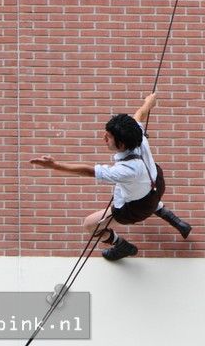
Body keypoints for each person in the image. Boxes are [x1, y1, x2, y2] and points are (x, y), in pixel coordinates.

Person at [31, 93, 192, 261]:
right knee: (143, 193)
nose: (104, 138)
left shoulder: (125, 170)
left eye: (108, 137)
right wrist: (148, 103)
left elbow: (89, 171)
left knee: (91, 225)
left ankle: (122, 246)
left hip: (137, 208)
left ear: (121, 144)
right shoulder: (139, 136)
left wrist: (55, 165)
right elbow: (139, 115)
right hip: (157, 183)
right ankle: (175, 220)